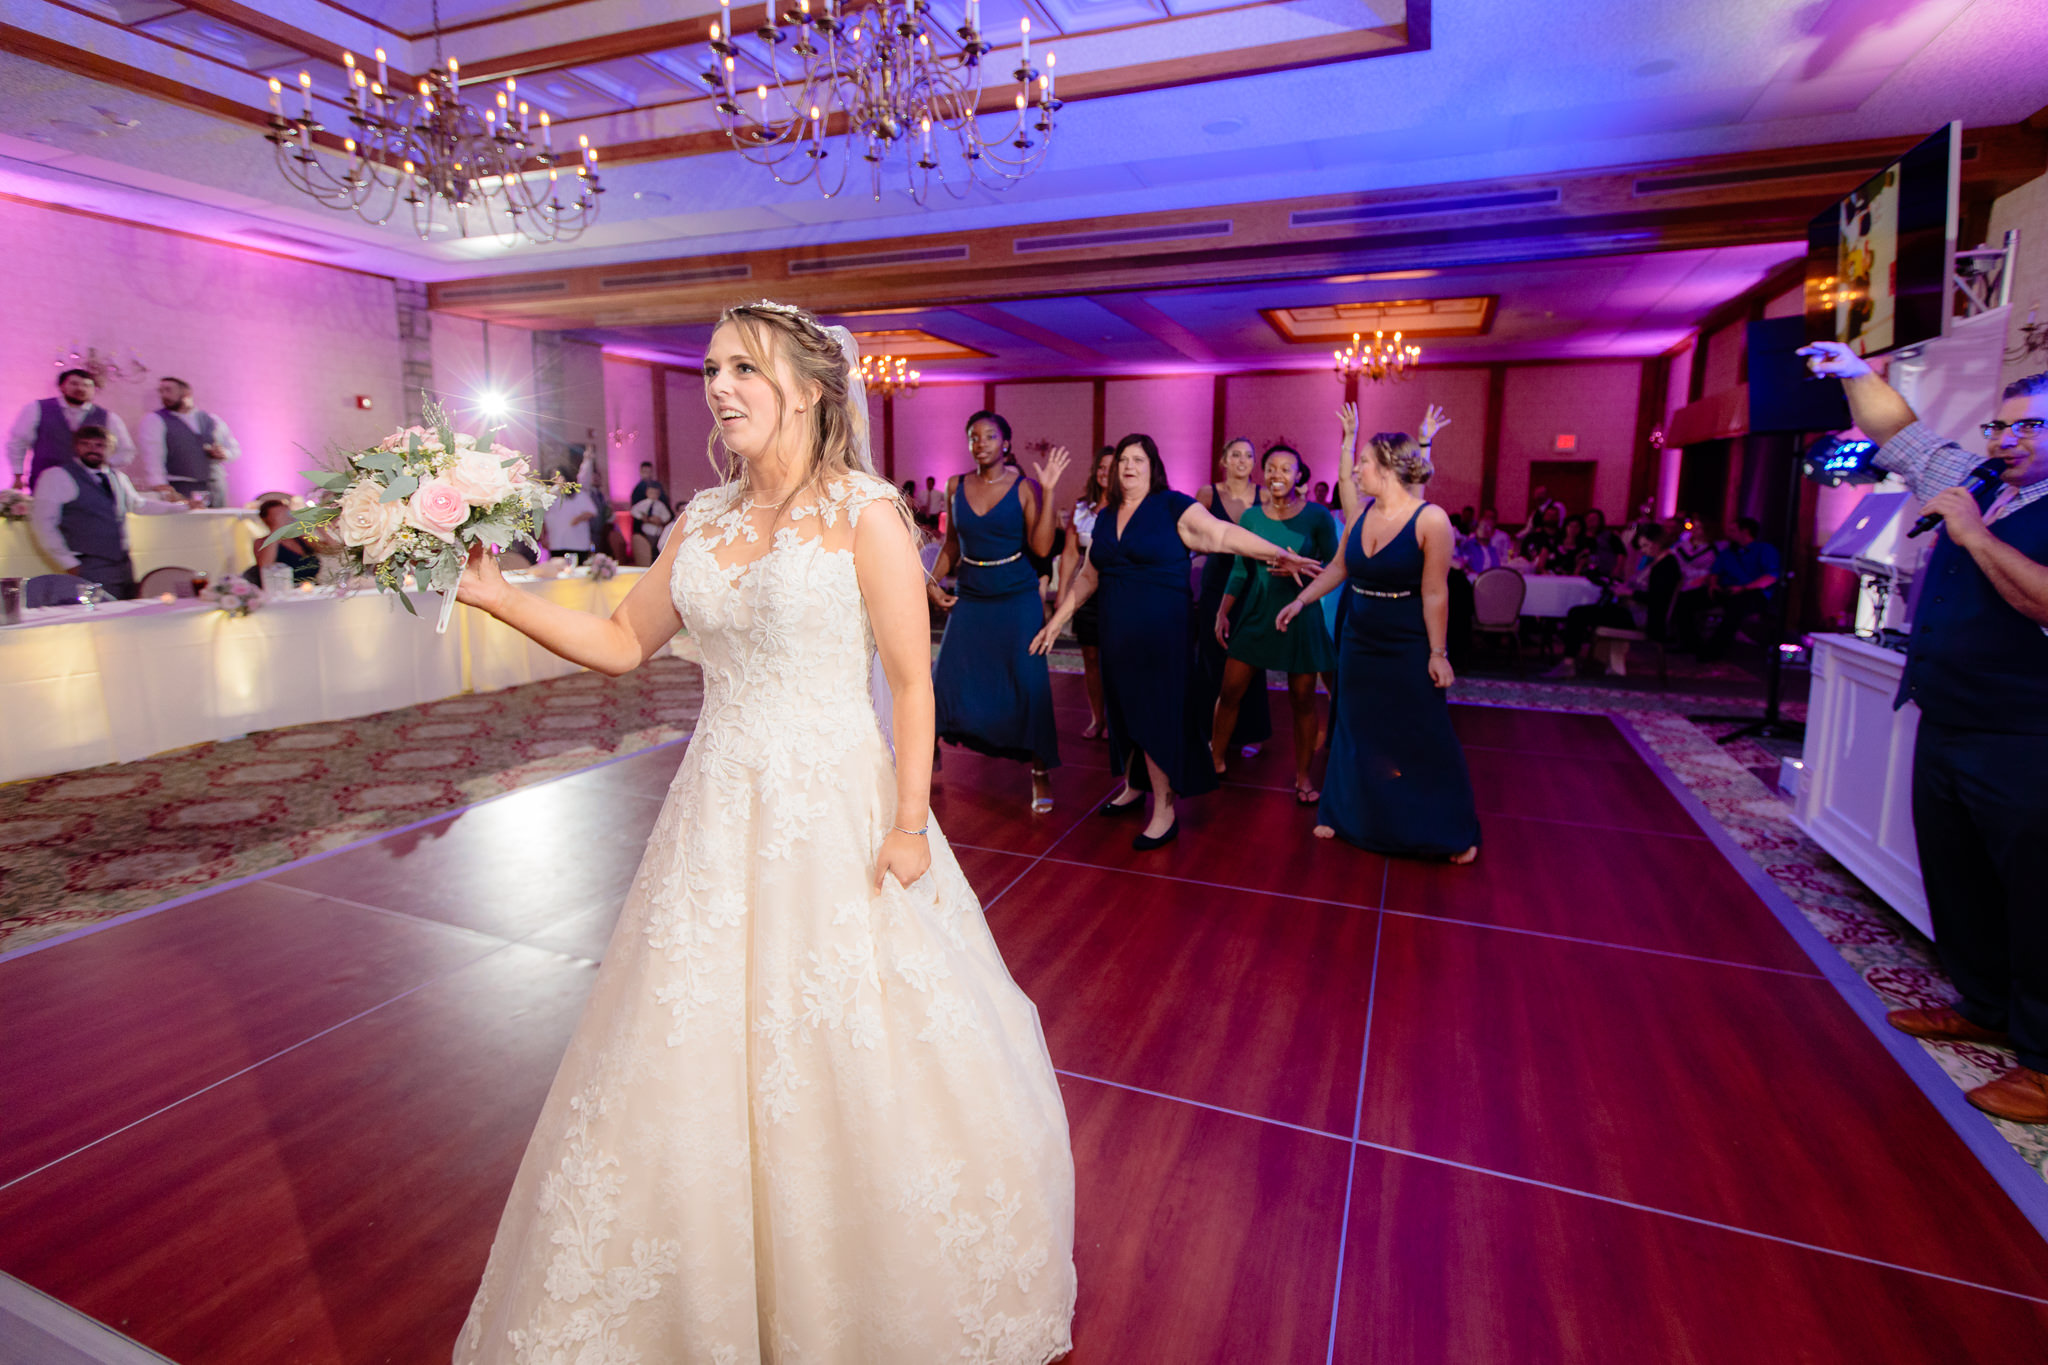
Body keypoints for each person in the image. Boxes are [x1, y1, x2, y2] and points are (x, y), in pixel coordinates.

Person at [450, 302, 1076, 1360]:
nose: (720, 388)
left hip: (838, 811)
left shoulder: (867, 512)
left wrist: (910, 822)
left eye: (744, 368)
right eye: (709, 370)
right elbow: (617, 645)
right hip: (714, 815)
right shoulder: (700, 521)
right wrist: (495, 595)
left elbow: (911, 679)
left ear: (810, 388)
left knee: (848, 1051)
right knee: (685, 1050)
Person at [1802, 342, 2048, 1124]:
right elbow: (1901, 434)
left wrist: (1973, 534)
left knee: (2039, 895)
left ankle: (2043, 1062)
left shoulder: (1986, 511)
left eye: (2029, 429)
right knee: (1959, 871)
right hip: (1950, 712)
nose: (2006, 443)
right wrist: (1854, 373)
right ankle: (1983, 1003)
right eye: (2001, 429)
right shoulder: (1979, 484)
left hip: (2027, 730)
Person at [1031, 434, 1319, 849]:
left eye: (1138, 460)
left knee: (1156, 715)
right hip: (1117, 632)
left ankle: (1164, 812)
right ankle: (1134, 785)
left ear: (1153, 467)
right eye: (1123, 460)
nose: (1128, 467)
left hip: (1160, 633)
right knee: (1125, 711)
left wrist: (1277, 553)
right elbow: (1090, 575)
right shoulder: (1108, 514)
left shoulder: (1173, 506)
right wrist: (1058, 621)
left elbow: (1222, 535)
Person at [1278, 433, 1479, 862]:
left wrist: (1438, 654)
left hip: (1407, 641)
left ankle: (1450, 831)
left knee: (1421, 733)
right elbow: (1338, 569)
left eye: (1363, 461)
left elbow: (1435, 594)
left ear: (1387, 468)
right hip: (1358, 638)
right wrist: (1301, 600)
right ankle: (1347, 814)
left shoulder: (1431, 520)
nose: (1356, 469)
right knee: (1355, 728)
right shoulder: (1359, 517)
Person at [925, 410, 1067, 812]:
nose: (980, 443)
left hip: (1017, 596)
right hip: (972, 594)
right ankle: (929, 749)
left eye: (989, 436)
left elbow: (1041, 550)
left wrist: (1051, 490)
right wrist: (932, 583)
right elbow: (952, 545)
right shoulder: (956, 485)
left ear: (1005, 443)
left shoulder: (1025, 488)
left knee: (1028, 683)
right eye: (973, 437)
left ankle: (1040, 771)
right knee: (946, 677)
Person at [1211, 444, 1339, 802]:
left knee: (1302, 699)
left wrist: (1302, 567)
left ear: (1299, 475)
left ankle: (1302, 778)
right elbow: (1240, 570)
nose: (1277, 474)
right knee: (1230, 690)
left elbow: (1337, 567)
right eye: (1270, 468)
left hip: (1301, 615)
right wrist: (1223, 611)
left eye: (1286, 469)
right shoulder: (1251, 518)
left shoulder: (1317, 517)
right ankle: (1216, 760)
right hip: (1257, 613)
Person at [28, 424, 186, 598]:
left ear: (111, 450)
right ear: (76, 447)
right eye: (85, 444)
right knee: (99, 616)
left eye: (99, 445)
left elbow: (138, 505)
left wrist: (182, 507)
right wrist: (68, 562)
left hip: (124, 563)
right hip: (88, 562)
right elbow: (43, 524)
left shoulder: (118, 477)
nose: (92, 449)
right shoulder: (57, 476)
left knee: (126, 613)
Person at [1193, 435, 1273, 759]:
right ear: (1224, 460)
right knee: (1213, 654)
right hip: (1217, 580)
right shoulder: (1207, 493)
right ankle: (1206, 730)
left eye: (1248, 456)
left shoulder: (1265, 495)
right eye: (1236, 455)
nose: (1242, 461)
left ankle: (1249, 731)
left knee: (1250, 657)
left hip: (1254, 583)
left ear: (1254, 463)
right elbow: (1193, 536)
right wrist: (1220, 545)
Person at [1059, 446, 1116, 738]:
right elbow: (1070, 554)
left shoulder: (1127, 507)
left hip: (1118, 592)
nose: (1106, 472)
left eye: (1112, 466)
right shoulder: (1082, 508)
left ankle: (1118, 720)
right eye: (1101, 467)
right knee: (1091, 658)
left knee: (1116, 658)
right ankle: (1098, 718)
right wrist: (1062, 597)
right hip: (1087, 592)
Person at [8, 368, 134, 489]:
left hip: (90, 485)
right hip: (45, 481)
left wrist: (102, 465)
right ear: (62, 386)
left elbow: (126, 451)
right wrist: (17, 474)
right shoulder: (37, 408)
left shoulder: (108, 417)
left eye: (87, 385)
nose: (80, 388)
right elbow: (18, 442)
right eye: (74, 384)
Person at [137, 377, 239, 506]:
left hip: (215, 487)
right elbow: (152, 456)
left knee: (218, 524)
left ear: (186, 393)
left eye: (168, 390)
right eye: (161, 391)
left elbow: (234, 449)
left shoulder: (212, 420)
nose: (164, 395)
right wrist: (159, 485)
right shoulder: (155, 420)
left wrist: (225, 454)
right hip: (181, 487)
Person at [1698, 515, 1780, 661]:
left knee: (1735, 608)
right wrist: (1713, 584)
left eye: (1733, 530)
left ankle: (1712, 652)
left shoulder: (1764, 550)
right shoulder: (1727, 552)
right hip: (1726, 590)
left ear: (1745, 532)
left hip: (1752, 593)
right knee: (1687, 600)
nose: (1728, 534)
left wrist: (1743, 588)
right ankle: (1691, 644)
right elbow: (1715, 571)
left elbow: (1771, 576)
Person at [246, 497, 324, 585]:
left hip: (311, 588)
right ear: (266, 519)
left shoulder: (300, 538)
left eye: (286, 513)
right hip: (284, 591)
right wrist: (277, 528)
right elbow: (265, 566)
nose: (284, 518)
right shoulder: (261, 542)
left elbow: (330, 549)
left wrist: (319, 525)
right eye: (278, 515)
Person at [541, 479, 599, 562]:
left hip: (577, 543)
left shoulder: (579, 495)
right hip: (556, 543)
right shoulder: (548, 496)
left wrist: (579, 518)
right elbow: (542, 519)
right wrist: (543, 537)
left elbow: (592, 512)